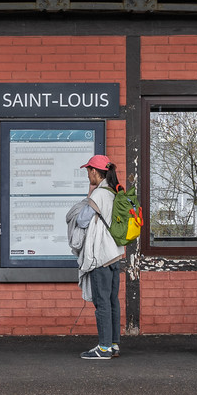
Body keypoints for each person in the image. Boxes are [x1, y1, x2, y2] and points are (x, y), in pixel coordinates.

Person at [73, 154, 125, 360]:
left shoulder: (100, 195)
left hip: (101, 257)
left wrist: (90, 196)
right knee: (112, 301)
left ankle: (103, 348)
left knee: (101, 302)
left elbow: (82, 220)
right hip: (113, 254)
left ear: (95, 172)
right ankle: (113, 344)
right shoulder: (113, 192)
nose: (88, 175)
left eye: (88, 171)